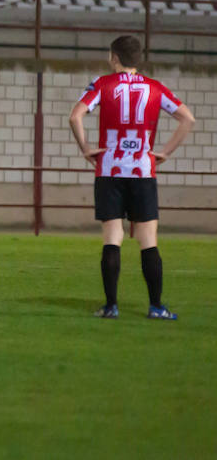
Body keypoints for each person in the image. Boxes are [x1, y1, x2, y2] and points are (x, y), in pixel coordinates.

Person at [68, 35, 195, 320]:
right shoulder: (155, 88)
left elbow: (75, 116)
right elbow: (188, 119)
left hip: (110, 169)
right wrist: (165, 153)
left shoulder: (102, 84)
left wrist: (86, 148)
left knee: (113, 236)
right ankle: (156, 306)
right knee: (148, 239)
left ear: (114, 57)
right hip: (142, 169)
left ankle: (111, 306)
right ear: (138, 59)